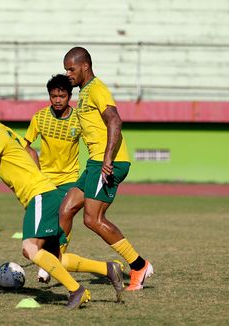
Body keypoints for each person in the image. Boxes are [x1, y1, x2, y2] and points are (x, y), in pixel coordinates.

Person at [0, 96, 125, 308]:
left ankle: (77, 290)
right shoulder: (1, 129)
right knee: (55, 257)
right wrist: (35, 176)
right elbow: (30, 150)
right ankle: (108, 269)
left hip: (40, 196)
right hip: (48, 192)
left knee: (30, 249)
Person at [60, 47, 153, 291]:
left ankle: (139, 265)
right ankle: (53, 264)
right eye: (65, 69)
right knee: (66, 208)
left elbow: (115, 119)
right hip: (95, 162)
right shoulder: (84, 93)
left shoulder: (98, 89)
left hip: (108, 162)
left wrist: (108, 158)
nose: (68, 74)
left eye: (71, 69)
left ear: (85, 67)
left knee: (92, 219)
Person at [24, 74, 81, 283]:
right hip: (45, 180)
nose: (57, 100)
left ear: (70, 96)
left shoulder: (79, 119)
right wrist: (36, 169)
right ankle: (50, 261)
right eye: (53, 96)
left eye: (62, 96)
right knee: (47, 222)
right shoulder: (40, 117)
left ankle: (51, 264)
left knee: (64, 217)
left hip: (70, 178)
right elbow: (26, 145)